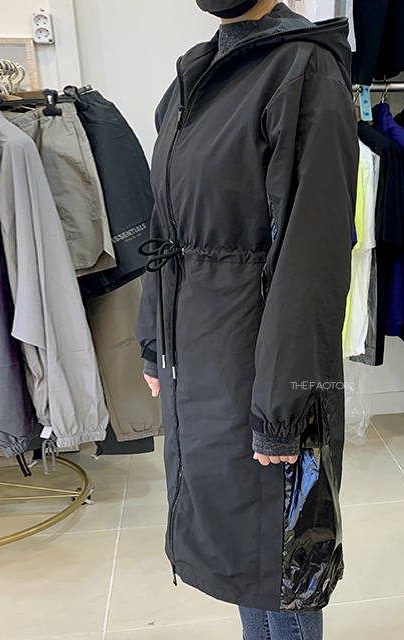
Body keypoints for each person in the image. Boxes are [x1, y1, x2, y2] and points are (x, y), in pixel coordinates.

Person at [137, 1, 358, 638]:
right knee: (242, 557)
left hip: (265, 368)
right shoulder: (196, 76)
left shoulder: (304, 71)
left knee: (281, 565)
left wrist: (282, 411)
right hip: (202, 367)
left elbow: (312, 262)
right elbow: (163, 228)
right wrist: (154, 341)